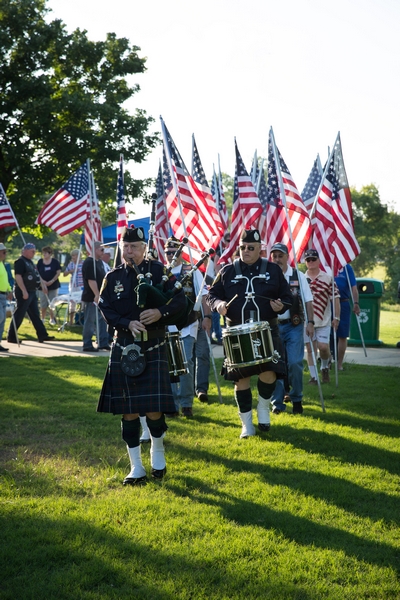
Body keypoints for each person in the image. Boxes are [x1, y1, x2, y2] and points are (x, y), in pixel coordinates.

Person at [97, 226, 186, 486]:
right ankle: (136, 467)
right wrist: (126, 323)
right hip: (124, 348)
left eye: (134, 247)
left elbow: (181, 300)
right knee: (128, 411)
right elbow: (105, 307)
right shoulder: (112, 278)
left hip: (154, 346)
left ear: (145, 248)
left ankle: (157, 451)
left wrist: (160, 313)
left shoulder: (160, 272)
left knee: (154, 409)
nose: (129, 251)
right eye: (126, 246)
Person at [206, 229, 292, 438]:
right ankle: (247, 425)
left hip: (266, 329)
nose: (246, 251)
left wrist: (281, 306)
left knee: (269, 373)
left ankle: (263, 406)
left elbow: (288, 297)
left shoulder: (273, 270)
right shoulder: (227, 271)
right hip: (236, 331)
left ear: (260, 248)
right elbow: (212, 294)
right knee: (241, 379)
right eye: (243, 247)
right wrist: (218, 305)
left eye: (250, 248)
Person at [164, 236, 211, 416]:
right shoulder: (162, 271)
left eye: (173, 252)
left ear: (180, 252)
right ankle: (172, 404)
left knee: (186, 363)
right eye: (167, 252)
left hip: (188, 323)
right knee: (170, 365)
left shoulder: (192, 270)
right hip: (166, 325)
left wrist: (207, 317)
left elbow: (203, 295)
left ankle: (186, 403)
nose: (170, 255)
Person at [269, 242, 315, 414]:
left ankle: (296, 398)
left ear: (287, 257)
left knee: (295, 363)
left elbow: (308, 300)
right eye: (275, 256)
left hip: (293, 326)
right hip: (273, 327)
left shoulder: (298, 276)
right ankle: (277, 403)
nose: (278, 259)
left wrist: (310, 322)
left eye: (281, 256)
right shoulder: (267, 276)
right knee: (276, 364)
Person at [304, 249, 340, 384]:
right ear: (305, 262)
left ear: (318, 261)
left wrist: (336, 318)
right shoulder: (302, 278)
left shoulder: (328, 278)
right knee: (310, 349)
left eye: (313, 259)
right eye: (308, 260)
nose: (311, 262)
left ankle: (325, 367)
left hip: (324, 321)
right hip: (307, 321)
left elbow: (335, 298)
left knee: (323, 347)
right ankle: (313, 377)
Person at [7, 243, 55, 344]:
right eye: (32, 251)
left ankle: (42, 335)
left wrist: (43, 285)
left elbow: (36, 275)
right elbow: (18, 277)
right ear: (26, 251)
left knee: (35, 314)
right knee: (20, 313)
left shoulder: (30, 262)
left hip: (32, 291)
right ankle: (11, 336)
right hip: (24, 291)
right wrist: (24, 291)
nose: (34, 253)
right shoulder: (20, 262)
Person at [81, 242, 110, 352]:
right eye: (102, 250)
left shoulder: (99, 262)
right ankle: (87, 343)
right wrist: (96, 294)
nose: (104, 253)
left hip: (100, 296)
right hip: (91, 297)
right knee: (90, 320)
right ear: (96, 249)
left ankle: (103, 342)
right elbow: (91, 280)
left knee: (102, 320)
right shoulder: (89, 262)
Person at [334, 264, 360, 370]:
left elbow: (353, 287)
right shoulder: (327, 264)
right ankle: (327, 361)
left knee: (342, 335)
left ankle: (339, 364)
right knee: (327, 332)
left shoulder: (347, 268)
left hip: (343, 302)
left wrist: (356, 303)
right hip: (328, 303)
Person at [37, 246, 61, 325]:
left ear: (50, 253)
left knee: (52, 302)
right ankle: (42, 319)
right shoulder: (40, 262)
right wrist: (42, 282)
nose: (44, 254)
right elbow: (37, 273)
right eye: (43, 253)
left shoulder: (55, 262)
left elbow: (58, 272)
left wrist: (52, 281)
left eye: (46, 253)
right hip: (42, 286)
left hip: (53, 286)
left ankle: (52, 319)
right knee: (43, 303)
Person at [64, 248, 84, 325]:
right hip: (73, 286)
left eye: (74, 255)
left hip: (82, 286)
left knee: (82, 303)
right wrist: (70, 271)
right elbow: (64, 274)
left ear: (79, 256)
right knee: (72, 303)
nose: (72, 257)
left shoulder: (83, 263)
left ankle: (80, 321)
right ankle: (71, 321)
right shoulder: (71, 264)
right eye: (72, 256)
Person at [0, 243, 13, 352]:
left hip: (3, 295)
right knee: (0, 317)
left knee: (3, 319)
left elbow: (5, 280)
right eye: (4, 252)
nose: (5, 254)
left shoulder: (2, 264)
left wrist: (9, 290)